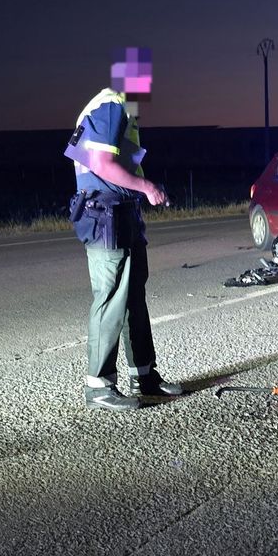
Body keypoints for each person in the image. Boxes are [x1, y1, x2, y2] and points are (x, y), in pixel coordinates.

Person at [62, 51, 184, 411]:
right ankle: (98, 386)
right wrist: (147, 188)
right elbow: (100, 163)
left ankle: (144, 375)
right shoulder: (112, 106)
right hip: (105, 217)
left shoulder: (118, 110)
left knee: (133, 298)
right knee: (111, 297)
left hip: (121, 214)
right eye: (142, 84)